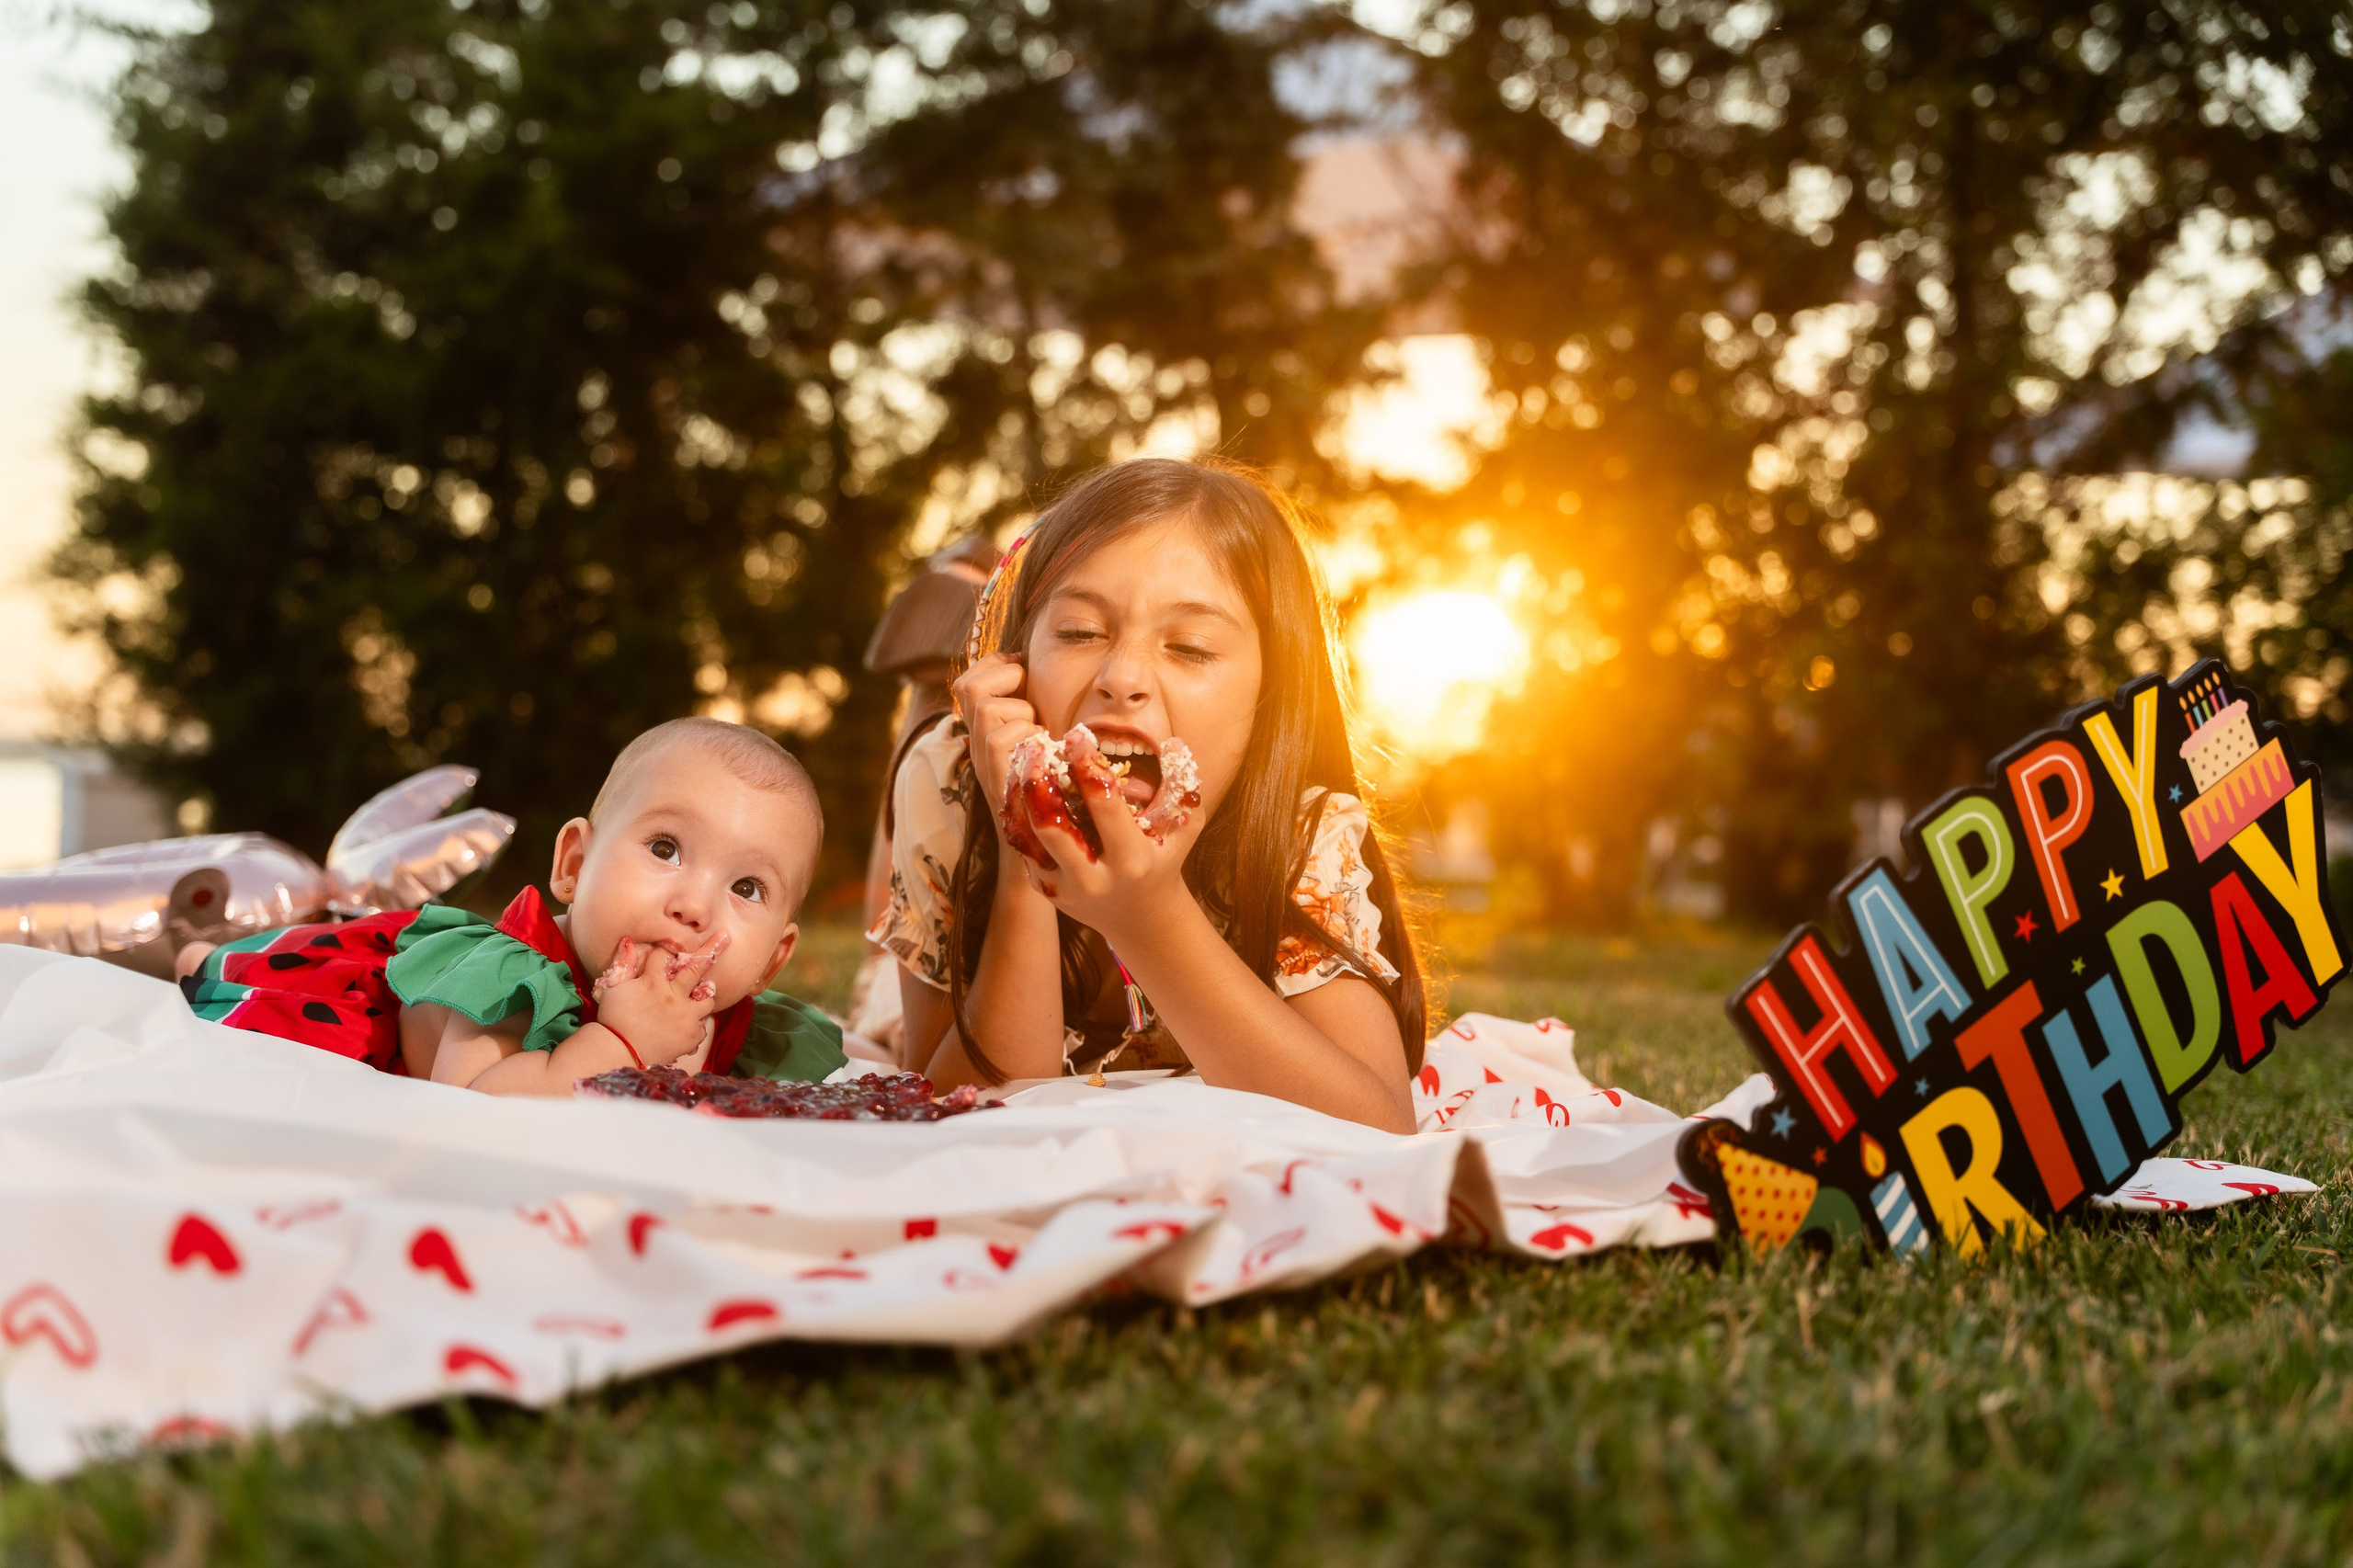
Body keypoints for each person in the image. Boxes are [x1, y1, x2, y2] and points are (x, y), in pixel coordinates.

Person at [869, 458, 1425, 1132]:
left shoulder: (1298, 828)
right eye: (1078, 632)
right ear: (1015, 660)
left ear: (1266, 700)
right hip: (937, 898)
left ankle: (967, 576)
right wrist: (1026, 847)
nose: (1123, 677)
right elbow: (952, 1110)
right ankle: (945, 642)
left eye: (1190, 647)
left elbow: (1377, 1124)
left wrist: (1150, 916)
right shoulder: (953, 778)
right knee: (921, 757)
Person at [176, 718, 845, 1095]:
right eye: (665, 848)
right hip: (375, 998)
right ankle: (211, 955)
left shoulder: (741, 1025)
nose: (696, 905)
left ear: (769, 963)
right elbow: (478, 1108)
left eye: (746, 888)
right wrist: (619, 1042)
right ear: (574, 866)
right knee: (282, 971)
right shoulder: (515, 984)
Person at [846, 534, 999, 1054]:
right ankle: (967, 589)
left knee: (928, 739)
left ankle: (967, 587)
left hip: (959, 949)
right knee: (925, 751)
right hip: (915, 955)